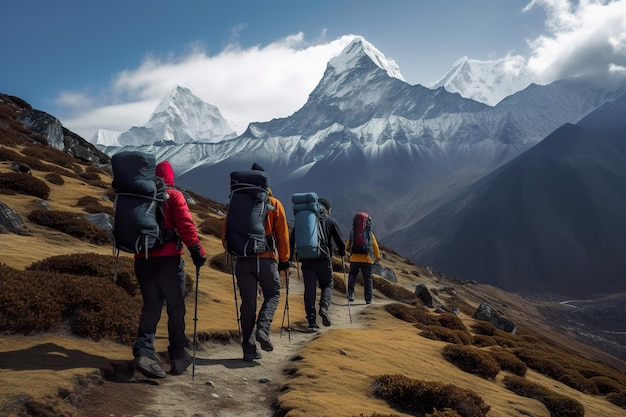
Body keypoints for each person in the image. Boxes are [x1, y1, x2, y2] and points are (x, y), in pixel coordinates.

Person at [133, 160, 207, 378]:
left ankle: (144, 353)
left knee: (151, 308)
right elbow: (185, 225)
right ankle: (178, 356)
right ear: (171, 177)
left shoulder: (141, 197)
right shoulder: (174, 196)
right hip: (169, 261)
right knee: (176, 308)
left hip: (143, 259)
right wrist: (197, 251)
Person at [222, 163, 291, 362]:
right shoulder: (274, 203)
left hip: (242, 261)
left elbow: (225, 234)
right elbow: (283, 236)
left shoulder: (236, 202)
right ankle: (263, 328)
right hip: (267, 259)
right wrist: (285, 261)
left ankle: (249, 349)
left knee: (248, 304)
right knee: (273, 293)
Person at [291, 197, 345, 329]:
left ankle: (311, 321)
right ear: (327, 209)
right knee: (327, 284)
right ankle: (324, 308)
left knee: (310, 289)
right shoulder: (330, 221)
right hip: (323, 259)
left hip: (306, 259)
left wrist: (288, 259)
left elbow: (292, 240)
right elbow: (341, 243)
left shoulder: (302, 221)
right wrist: (342, 252)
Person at [345, 215, 380, 305]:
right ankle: (368, 299)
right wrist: (377, 257)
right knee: (367, 279)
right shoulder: (369, 234)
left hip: (354, 260)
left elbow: (347, 246)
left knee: (352, 276)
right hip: (367, 260)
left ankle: (350, 294)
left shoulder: (353, 233)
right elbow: (375, 246)